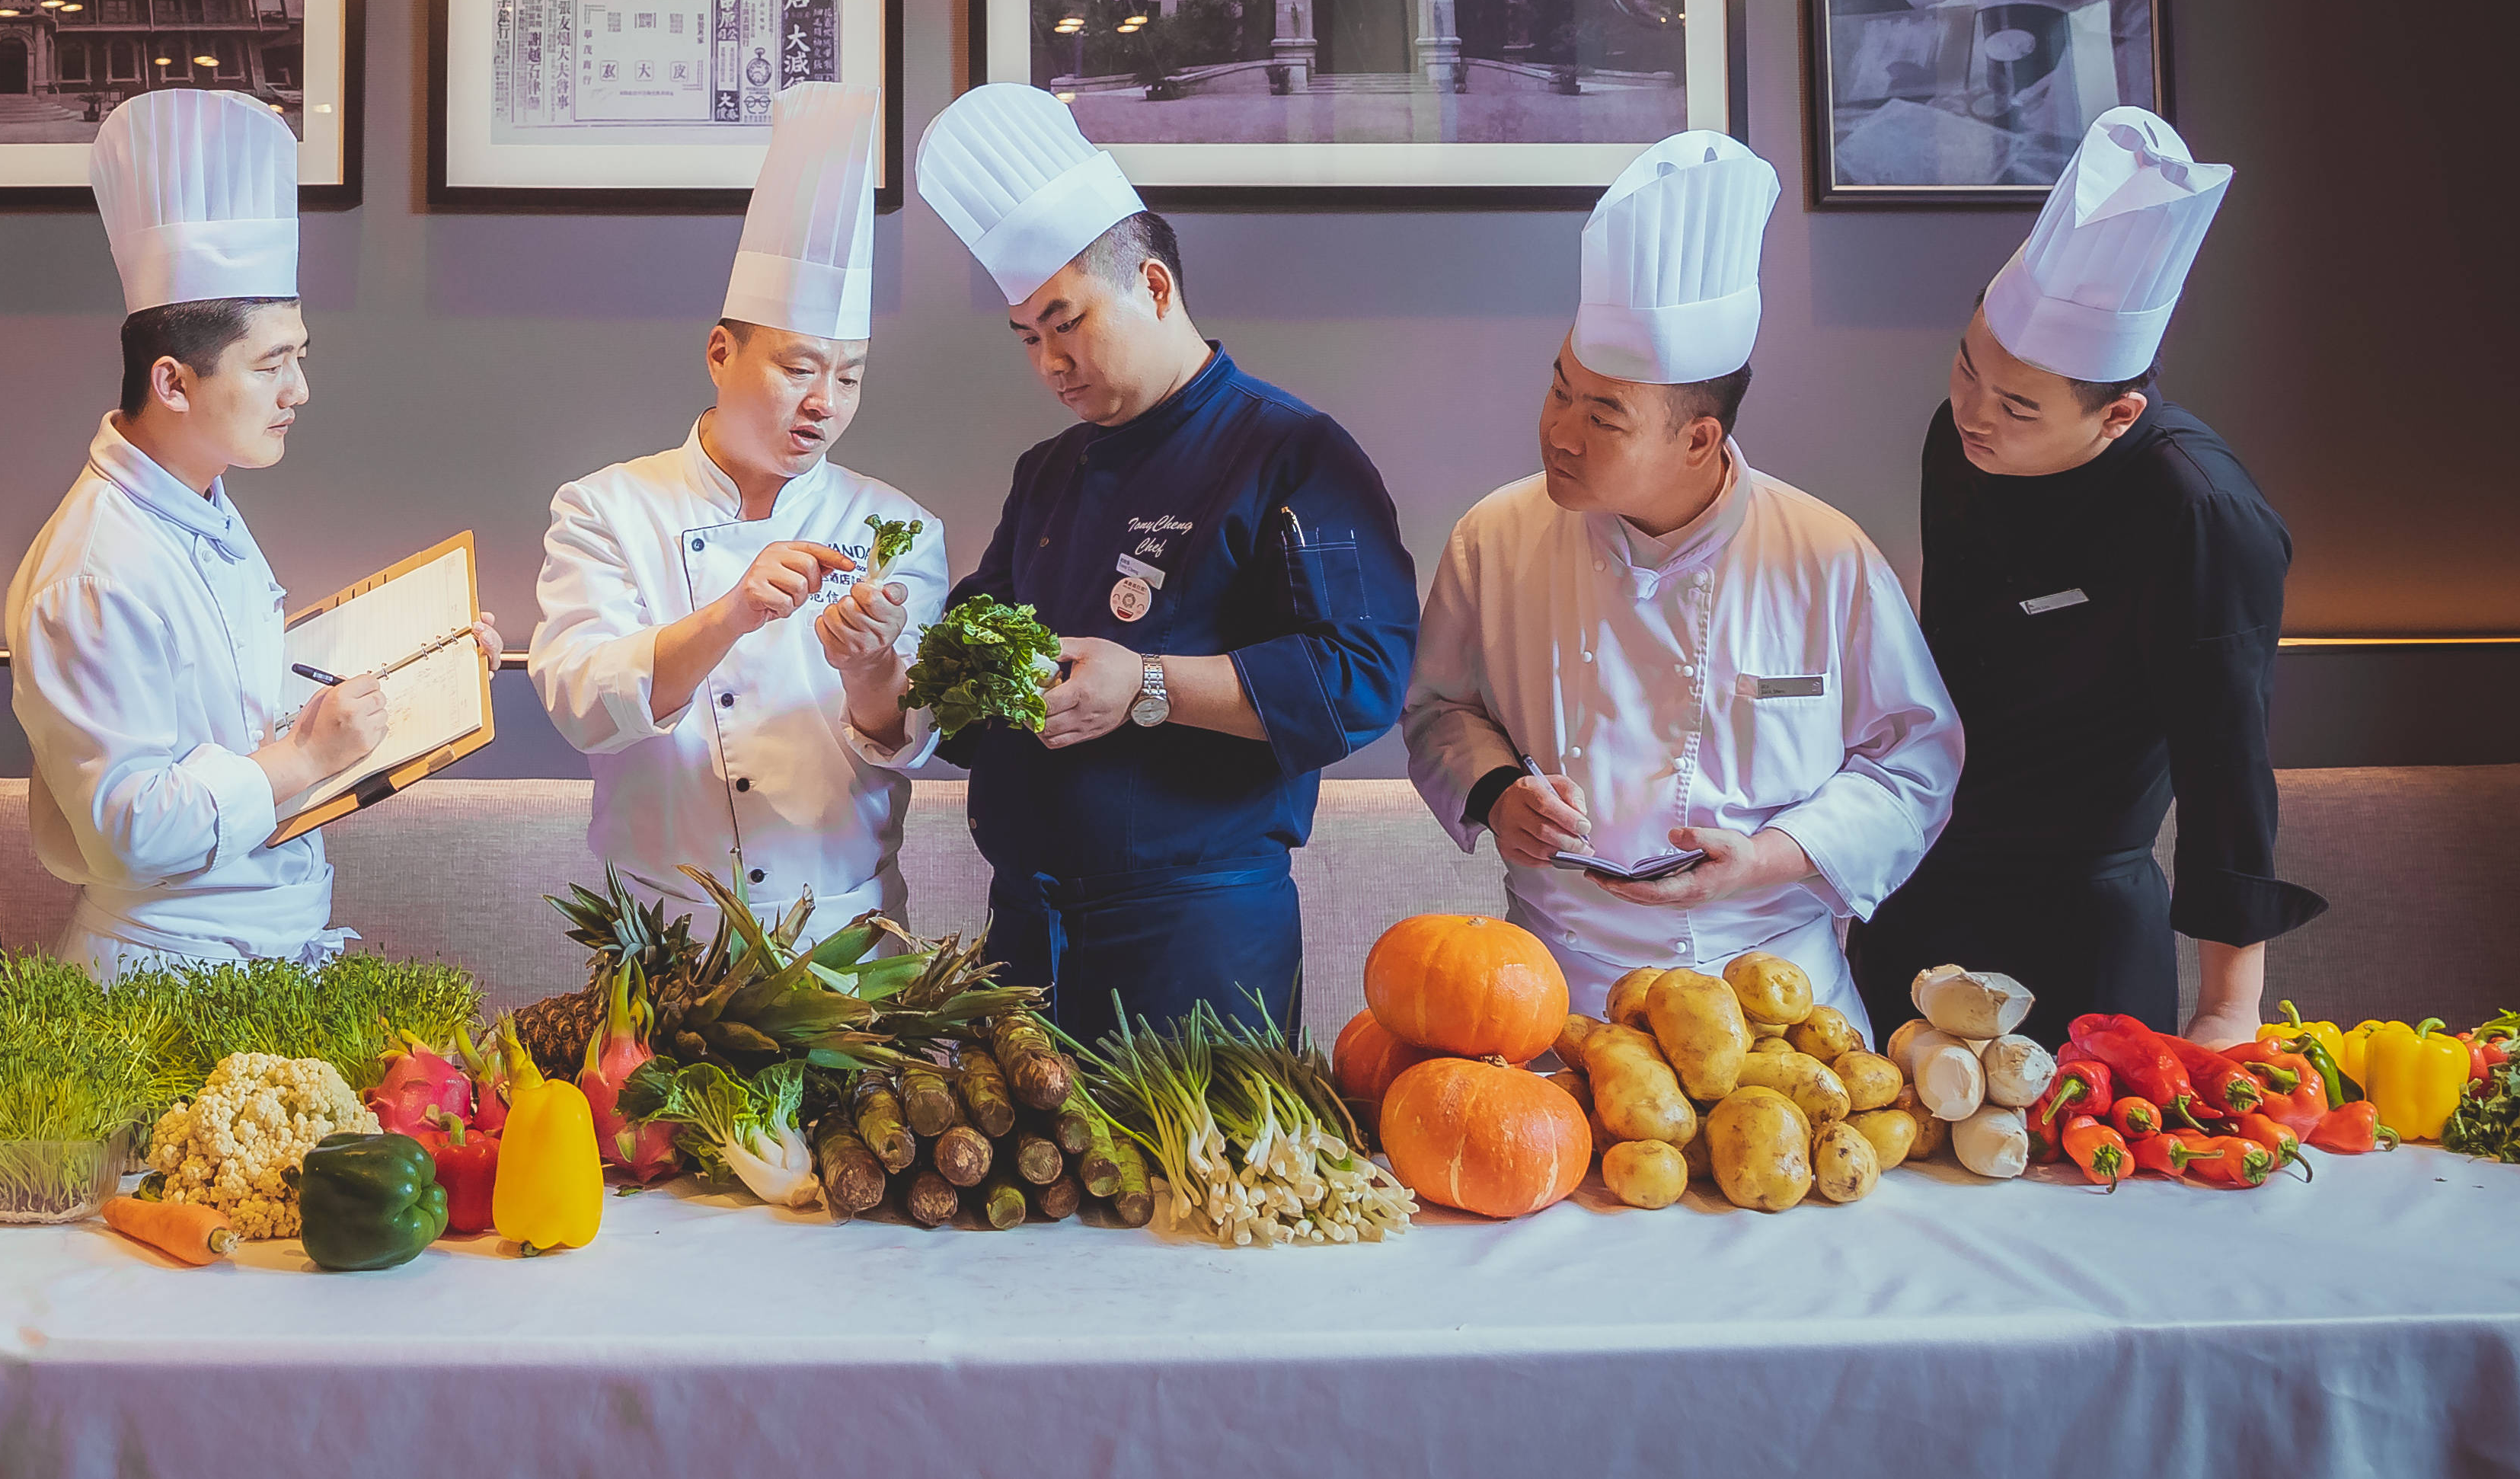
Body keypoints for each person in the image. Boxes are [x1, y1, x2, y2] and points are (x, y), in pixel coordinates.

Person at [1404, 131, 1961, 1033]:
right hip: (1557, 994)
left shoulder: (1827, 556)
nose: (1559, 432)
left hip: (1784, 1002)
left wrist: (1772, 855)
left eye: (1603, 416)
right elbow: (1438, 709)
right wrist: (1497, 789)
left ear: (1698, 438)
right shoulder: (1495, 537)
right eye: (1558, 391)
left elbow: (1915, 762)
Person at [913, 85, 1417, 1040]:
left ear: (1152, 286)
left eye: (1068, 323)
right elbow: (966, 689)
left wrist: (1147, 683)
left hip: (1198, 947)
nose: (1050, 363)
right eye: (1027, 338)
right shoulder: (1049, 472)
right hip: (1022, 940)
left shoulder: (1294, 454)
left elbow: (1361, 675)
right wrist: (891, 671)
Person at [5, 88, 503, 977]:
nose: (298, 391)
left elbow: (230, 718)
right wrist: (309, 750)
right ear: (173, 382)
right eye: (272, 364)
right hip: (166, 970)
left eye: (300, 357)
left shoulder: (201, 500)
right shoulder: (94, 569)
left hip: (264, 947)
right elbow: (130, 827)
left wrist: (430, 673)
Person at [1853, 109, 2319, 1049]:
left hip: (2080, 911)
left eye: (2018, 405)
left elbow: (2226, 761)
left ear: (2118, 416)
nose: (1973, 413)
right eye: (1965, 365)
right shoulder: (1961, 439)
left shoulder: (2201, 514)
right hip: (1920, 876)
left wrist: (2230, 1008)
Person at [530, 87, 951, 926]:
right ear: (722, 354)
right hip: (661, 940)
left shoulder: (896, 527)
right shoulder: (606, 507)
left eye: (850, 375)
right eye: (799, 368)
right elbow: (581, 700)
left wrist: (868, 665)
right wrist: (729, 614)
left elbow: (908, 734)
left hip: (845, 941)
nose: (825, 403)